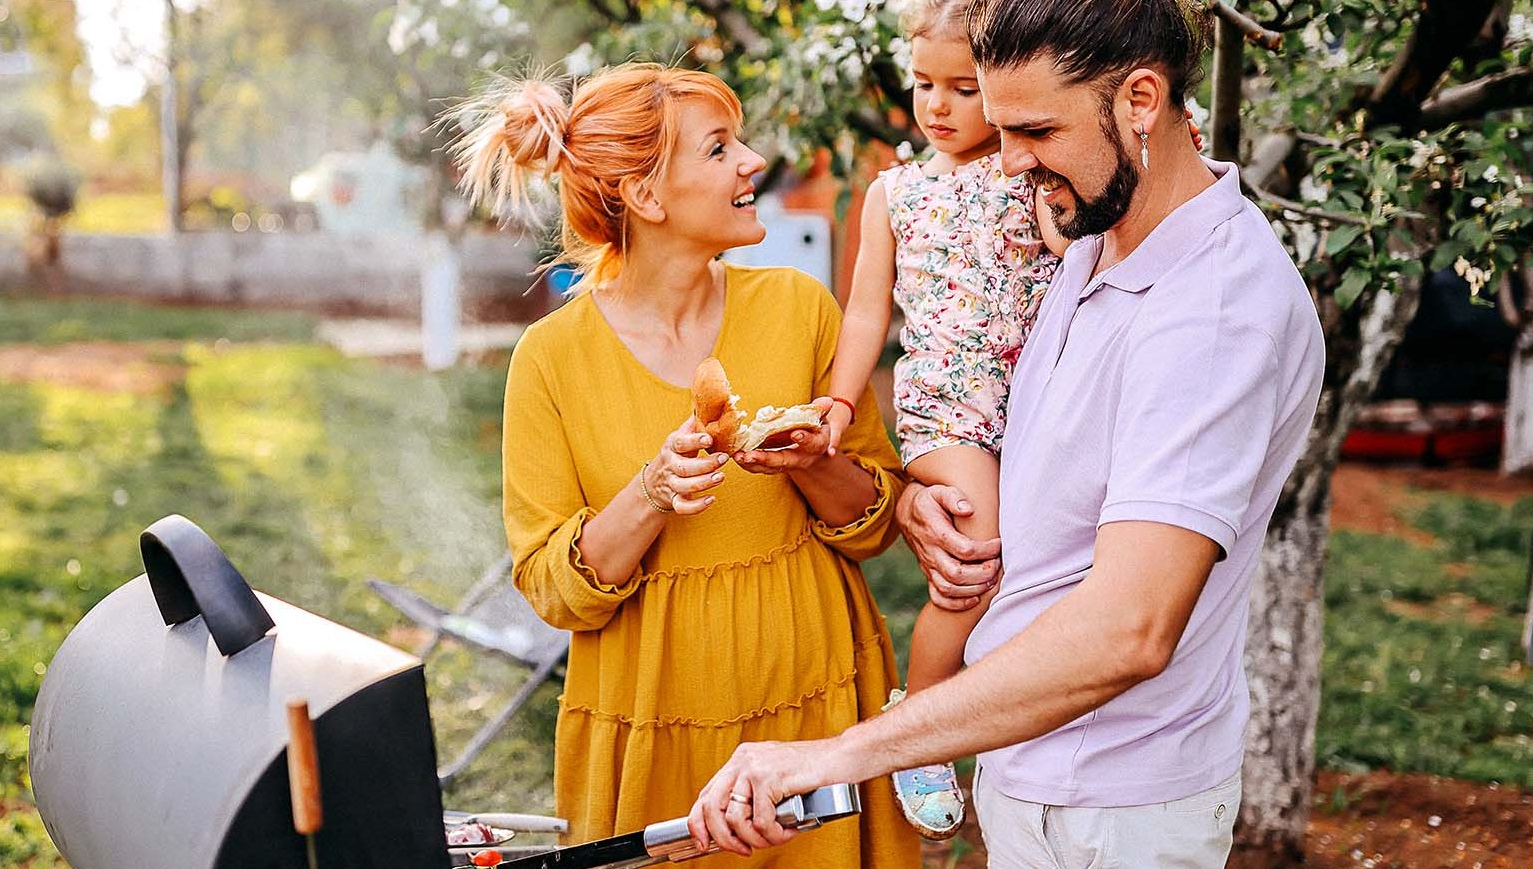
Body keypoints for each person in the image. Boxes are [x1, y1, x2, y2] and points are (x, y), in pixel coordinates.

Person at [684, 1, 1326, 866]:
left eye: (1036, 130)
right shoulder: (1095, 234)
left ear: (1141, 100)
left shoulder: (1211, 313)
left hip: (1113, 809)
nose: (1010, 160)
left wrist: (839, 755)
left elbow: (1129, 629)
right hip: (1032, 773)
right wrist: (919, 502)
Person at [454, 63, 915, 866]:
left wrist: (812, 461)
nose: (753, 162)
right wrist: (651, 492)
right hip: (654, 731)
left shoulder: (799, 309)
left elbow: (875, 526)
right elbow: (553, 589)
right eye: (719, 148)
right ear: (646, 195)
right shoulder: (551, 360)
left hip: (817, 708)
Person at [817, 0, 1064, 839]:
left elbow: (1074, 256)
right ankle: (920, 722)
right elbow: (865, 312)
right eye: (925, 84)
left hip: (1036, 403)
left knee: (1038, 565)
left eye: (964, 88)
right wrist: (841, 399)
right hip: (948, 410)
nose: (938, 105)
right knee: (975, 556)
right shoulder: (895, 192)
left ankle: (1010, 714)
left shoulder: (1033, 173)